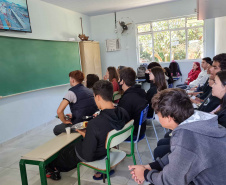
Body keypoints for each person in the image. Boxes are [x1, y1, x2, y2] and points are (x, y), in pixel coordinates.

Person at [128, 88, 226, 185]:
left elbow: (171, 181)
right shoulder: (196, 119)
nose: (157, 117)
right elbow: (178, 156)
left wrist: (145, 174)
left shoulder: (187, 137)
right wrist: (152, 166)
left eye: (158, 114)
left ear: (169, 118)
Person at [46, 80, 130, 180]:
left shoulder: (94, 124)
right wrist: (90, 134)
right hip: (106, 148)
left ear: (98, 97)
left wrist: (86, 135)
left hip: (96, 153)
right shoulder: (123, 111)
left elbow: (87, 155)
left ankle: (52, 168)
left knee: (65, 153)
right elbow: (107, 129)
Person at [53, 70, 98, 136]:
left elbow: (59, 111)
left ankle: (72, 143)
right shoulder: (89, 90)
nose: (69, 81)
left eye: (70, 79)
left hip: (80, 125)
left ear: (73, 80)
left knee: (56, 129)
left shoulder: (71, 93)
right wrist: (74, 115)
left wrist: (65, 121)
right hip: (91, 121)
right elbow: (86, 107)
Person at [118, 67, 148, 139]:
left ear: (122, 81)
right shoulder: (141, 92)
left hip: (132, 133)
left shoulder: (127, 98)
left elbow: (120, 121)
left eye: (119, 78)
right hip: (141, 130)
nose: (118, 80)